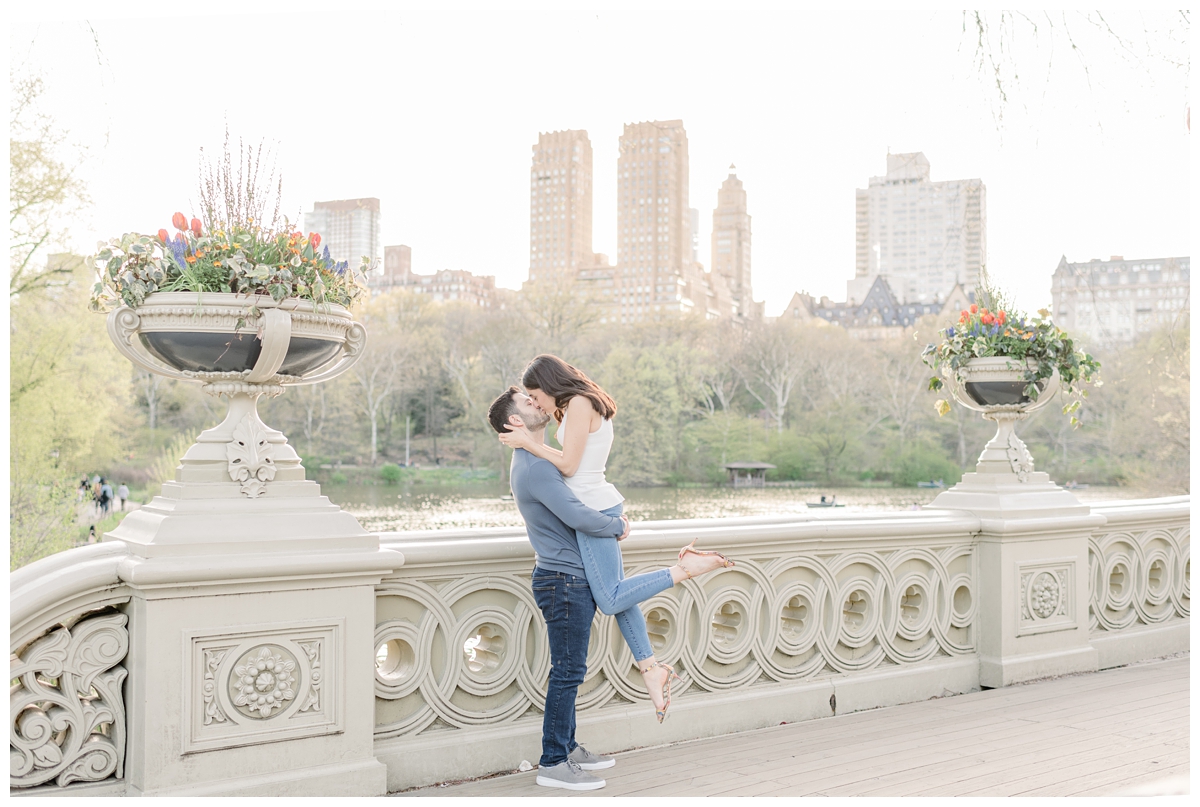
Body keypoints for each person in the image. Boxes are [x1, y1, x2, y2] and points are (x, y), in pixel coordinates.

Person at [487, 386, 729, 791]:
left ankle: (567, 747)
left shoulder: (535, 460)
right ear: (514, 422)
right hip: (562, 581)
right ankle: (552, 762)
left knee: (572, 669)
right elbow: (575, 513)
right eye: (529, 403)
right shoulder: (534, 466)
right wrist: (616, 526)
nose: (539, 404)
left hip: (567, 577)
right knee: (567, 672)